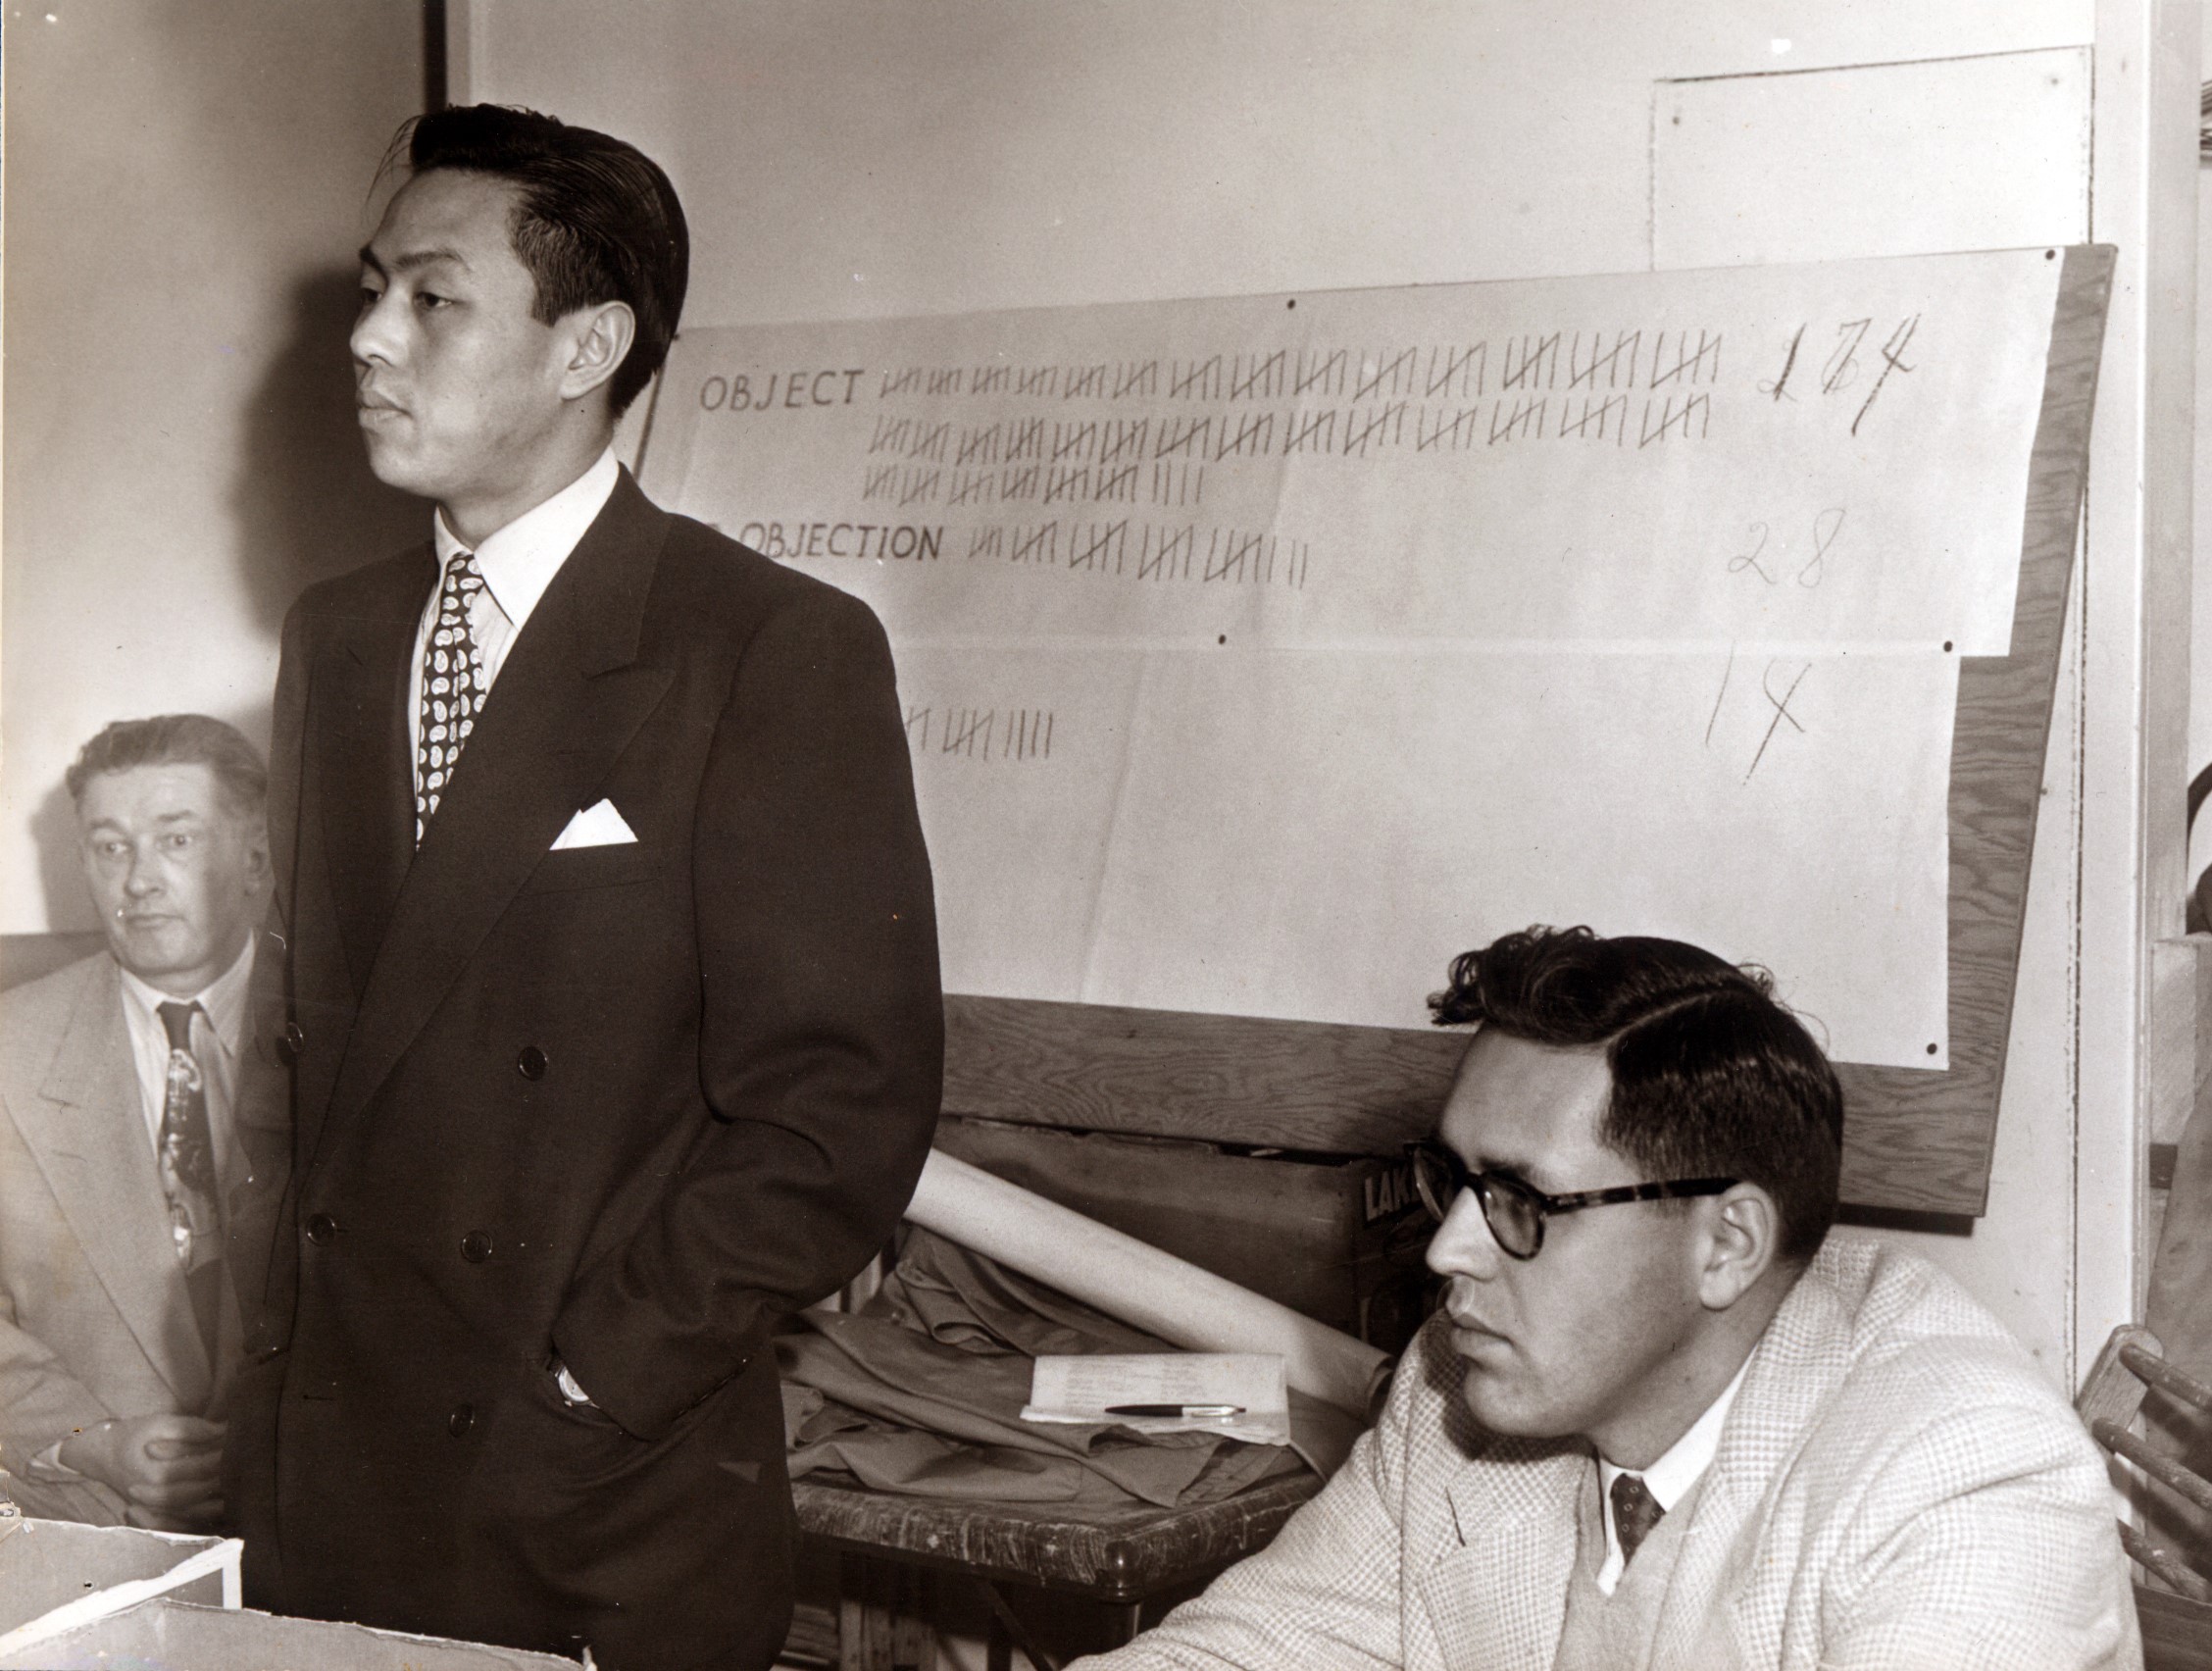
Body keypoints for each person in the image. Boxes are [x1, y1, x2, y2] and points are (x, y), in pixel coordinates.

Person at [229, 106, 943, 1671]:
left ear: (587, 346)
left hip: (591, 1501)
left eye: (431, 298)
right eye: (369, 290)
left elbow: (837, 1115)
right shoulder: (339, 639)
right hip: (330, 1478)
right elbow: (315, 1054)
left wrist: (600, 1372)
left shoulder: (766, 648)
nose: (366, 340)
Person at [1072, 927, 2139, 1671]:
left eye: (1522, 1200)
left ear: (1726, 1244)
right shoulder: (1465, 1390)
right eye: (1455, 1183)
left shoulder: (1967, 1481)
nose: (1449, 1252)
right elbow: (1251, 1651)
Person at [0, 716, 289, 1529]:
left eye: (177, 839)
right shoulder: (8, 1050)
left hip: (326, 1524)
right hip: (89, 1520)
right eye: (110, 846)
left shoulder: (345, 1032)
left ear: (257, 857)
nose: (139, 881)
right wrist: (90, 1440)